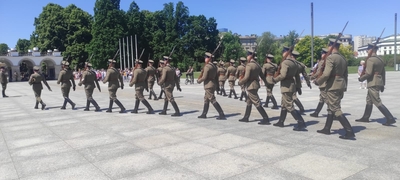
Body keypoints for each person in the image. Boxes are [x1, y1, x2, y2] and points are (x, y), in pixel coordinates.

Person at [316, 39, 354, 139]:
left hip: (332, 86)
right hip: (341, 85)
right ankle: (327, 128)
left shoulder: (331, 58)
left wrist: (318, 81)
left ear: (330, 46)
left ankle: (349, 131)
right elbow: (346, 75)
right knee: (331, 107)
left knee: (335, 108)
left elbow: (326, 74)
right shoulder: (343, 58)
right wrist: (344, 86)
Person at [356, 43, 396, 126]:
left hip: (373, 82)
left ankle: (390, 118)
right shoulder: (380, 59)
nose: (367, 51)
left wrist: (361, 78)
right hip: (378, 81)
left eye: (368, 49)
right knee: (369, 100)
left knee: (377, 101)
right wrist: (383, 84)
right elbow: (383, 73)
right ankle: (365, 117)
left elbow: (368, 73)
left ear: (372, 50)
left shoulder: (371, 60)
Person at [272, 47, 307, 131]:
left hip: (286, 86)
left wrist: (275, 80)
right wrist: (298, 86)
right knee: (284, 105)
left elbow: (283, 75)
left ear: (285, 52)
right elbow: (297, 76)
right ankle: (281, 121)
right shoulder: (294, 63)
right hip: (292, 85)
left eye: (283, 52)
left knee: (289, 106)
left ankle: (301, 122)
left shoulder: (285, 62)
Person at [238, 50, 270, 125]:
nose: (247, 57)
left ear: (249, 56)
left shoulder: (249, 65)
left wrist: (240, 82)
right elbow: (262, 76)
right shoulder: (258, 65)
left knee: (256, 102)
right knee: (249, 101)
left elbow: (246, 77)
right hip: (256, 84)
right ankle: (246, 117)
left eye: (247, 55)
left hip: (251, 86)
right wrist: (266, 83)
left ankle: (266, 118)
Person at [197, 52, 226, 120]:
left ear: (208, 58)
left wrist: (199, 81)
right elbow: (216, 77)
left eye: (205, 57)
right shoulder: (214, 66)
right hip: (213, 84)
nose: (205, 59)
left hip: (208, 85)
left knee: (212, 99)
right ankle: (204, 114)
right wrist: (217, 87)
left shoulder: (207, 66)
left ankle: (221, 113)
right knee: (206, 99)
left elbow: (204, 77)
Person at [310, 48, 329, 117]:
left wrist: (312, 77)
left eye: (322, 53)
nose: (321, 55)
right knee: (322, 98)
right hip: (326, 81)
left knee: (326, 98)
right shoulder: (329, 61)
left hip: (323, 82)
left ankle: (334, 112)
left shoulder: (323, 62)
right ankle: (316, 112)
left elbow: (319, 72)